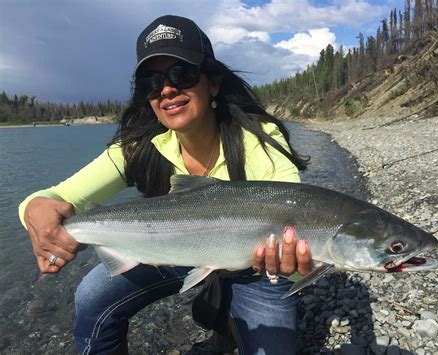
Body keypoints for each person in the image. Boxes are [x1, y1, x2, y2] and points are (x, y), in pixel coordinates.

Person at [19, 15, 313, 354]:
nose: (167, 89)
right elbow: (53, 197)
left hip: (257, 268)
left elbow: (299, 212)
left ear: (213, 83)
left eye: (182, 74)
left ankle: (227, 324)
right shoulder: (137, 149)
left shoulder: (259, 141)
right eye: (151, 81)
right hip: (175, 250)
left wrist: (295, 264)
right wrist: (34, 211)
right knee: (90, 296)